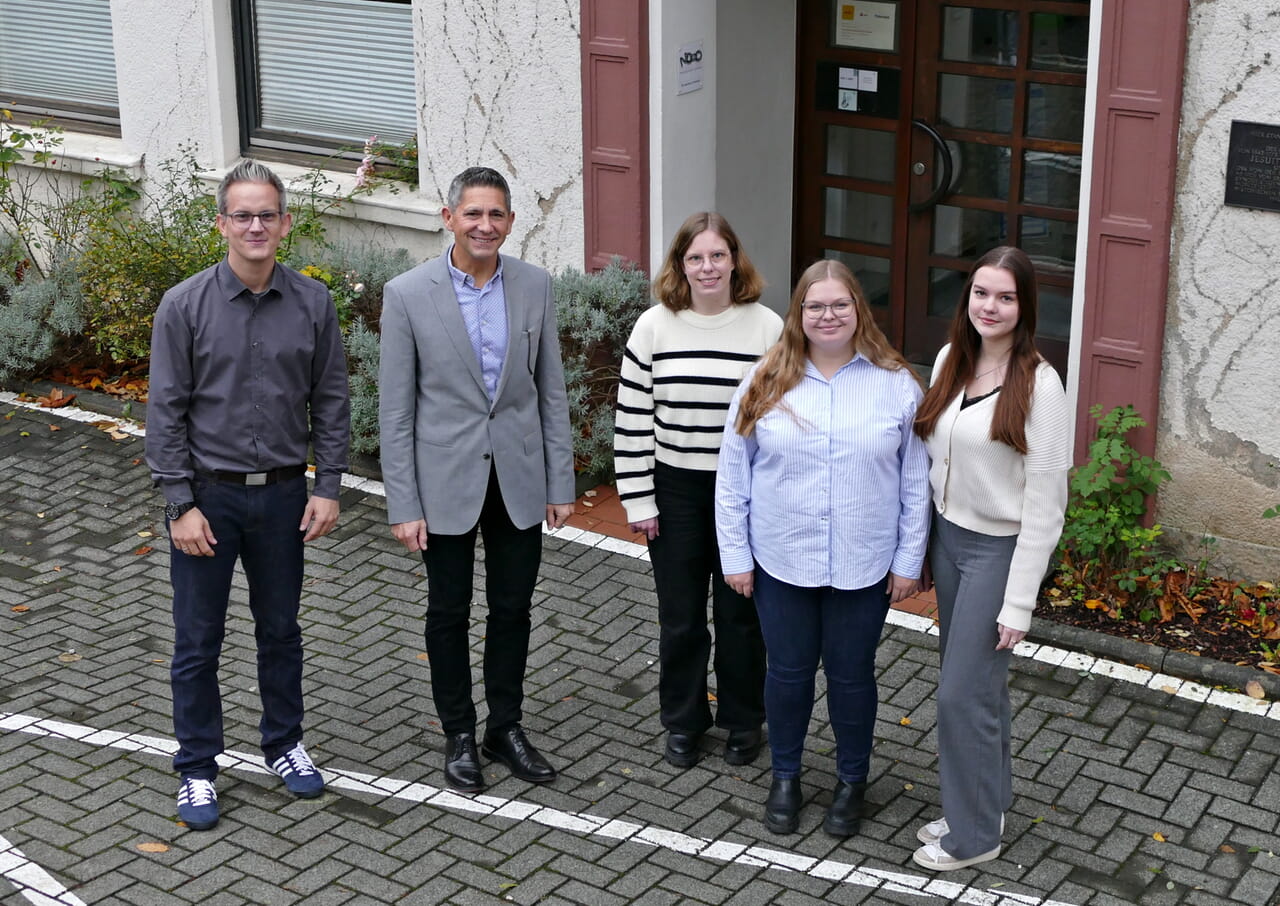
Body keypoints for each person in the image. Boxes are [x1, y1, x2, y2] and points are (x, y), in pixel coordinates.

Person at [146, 160, 351, 831]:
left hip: (286, 500)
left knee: (281, 631)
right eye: (243, 214)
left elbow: (331, 402)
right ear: (222, 224)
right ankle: (198, 768)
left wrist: (327, 487)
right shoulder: (183, 306)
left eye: (268, 214)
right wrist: (180, 504)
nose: (256, 225)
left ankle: (284, 744)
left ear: (285, 223)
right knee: (197, 642)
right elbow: (165, 415)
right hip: (210, 500)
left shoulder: (313, 304)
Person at [378, 166, 575, 793]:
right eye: (473, 214)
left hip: (518, 478)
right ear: (449, 218)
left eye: (496, 215)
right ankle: (459, 732)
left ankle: (505, 727)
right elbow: (396, 409)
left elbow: (551, 393)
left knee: (513, 608)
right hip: (444, 484)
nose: (485, 226)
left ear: (511, 222)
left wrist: (560, 482)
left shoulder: (535, 286)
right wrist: (403, 502)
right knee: (448, 611)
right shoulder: (408, 294)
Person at [716, 259, 929, 837]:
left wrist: (909, 561)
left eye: (840, 304)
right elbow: (733, 475)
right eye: (815, 306)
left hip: (864, 564)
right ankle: (785, 776)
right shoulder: (764, 380)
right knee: (786, 674)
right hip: (782, 560)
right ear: (799, 314)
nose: (828, 315)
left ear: (859, 309)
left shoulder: (897, 385)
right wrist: (735, 556)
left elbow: (915, 480)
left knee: (852, 676)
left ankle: (851, 782)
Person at [911, 246, 1070, 871]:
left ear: (1024, 306)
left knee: (959, 696)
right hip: (949, 543)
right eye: (981, 293)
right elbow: (933, 461)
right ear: (967, 297)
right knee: (980, 690)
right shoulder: (952, 360)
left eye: (1005, 297)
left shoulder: (1041, 385)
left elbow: (1047, 504)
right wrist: (922, 545)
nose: (990, 307)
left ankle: (974, 836)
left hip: (996, 553)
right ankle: (987, 800)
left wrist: (1020, 603)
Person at [614, 212, 782, 769]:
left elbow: (784, 421)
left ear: (735, 259)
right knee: (681, 617)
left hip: (745, 493)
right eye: (695, 258)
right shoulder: (653, 327)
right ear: (680, 265)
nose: (707, 267)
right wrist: (640, 500)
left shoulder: (767, 328)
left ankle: (743, 720)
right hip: (675, 490)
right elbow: (634, 419)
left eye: (717, 255)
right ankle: (683, 721)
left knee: (741, 617)